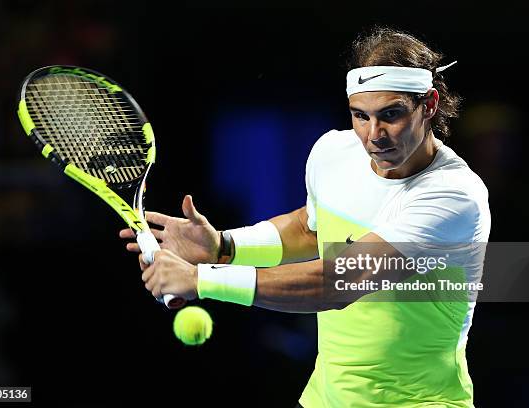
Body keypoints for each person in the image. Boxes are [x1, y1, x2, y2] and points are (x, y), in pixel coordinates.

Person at [119, 27, 491, 407]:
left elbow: (337, 282)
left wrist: (202, 279)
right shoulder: (333, 152)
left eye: (390, 115)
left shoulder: (454, 195)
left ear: (428, 105)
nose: (373, 135)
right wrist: (225, 246)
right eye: (360, 116)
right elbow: (309, 228)